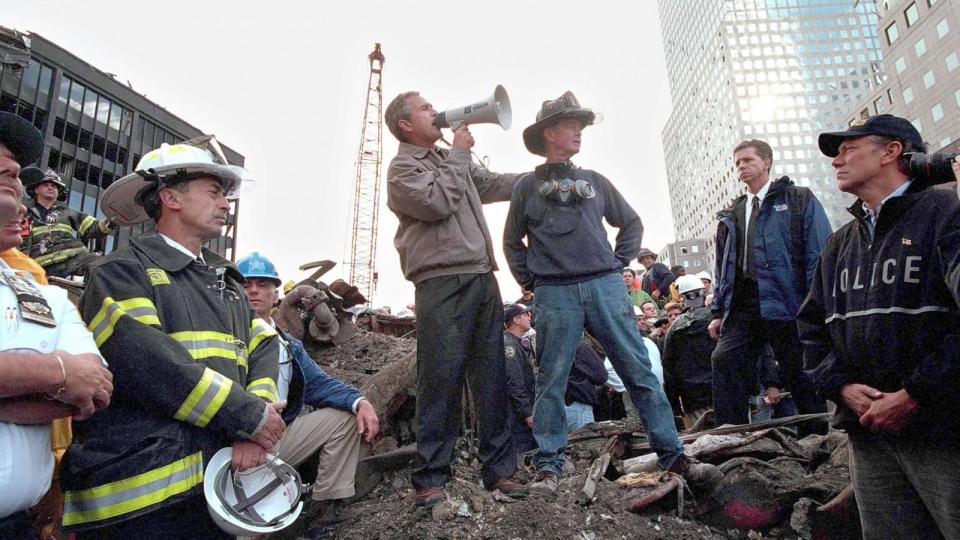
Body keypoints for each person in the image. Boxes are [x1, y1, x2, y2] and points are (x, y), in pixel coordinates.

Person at [60, 139, 285, 539]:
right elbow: (149, 363)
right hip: (141, 499)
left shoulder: (226, 282)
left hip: (215, 485)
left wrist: (257, 418)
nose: (225, 204)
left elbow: (265, 344)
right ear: (170, 198)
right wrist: (249, 418)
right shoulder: (120, 272)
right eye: (214, 192)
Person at [504, 91, 719, 497]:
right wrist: (532, 281)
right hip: (555, 293)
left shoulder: (595, 182)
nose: (578, 133)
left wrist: (615, 264)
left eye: (581, 127)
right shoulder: (526, 189)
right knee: (551, 379)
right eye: (571, 126)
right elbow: (512, 242)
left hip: (604, 285)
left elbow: (631, 223)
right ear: (549, 132)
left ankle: (674, 454)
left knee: (639, 372)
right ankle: (550, 464)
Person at [799, 115, 960, 539]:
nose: (837, 161)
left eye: (849, 148)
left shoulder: (946, 213)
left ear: (891, 152)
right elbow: (811, 331)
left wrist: (915, 394)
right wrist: (841, 388)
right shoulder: (839, 244)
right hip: (868, 436)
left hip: (941, 428)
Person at [384, 90, 526, 507]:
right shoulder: (402, 168)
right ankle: (431, 477)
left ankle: (500, 471)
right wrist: (460, 155)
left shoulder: (449, 159)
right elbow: (435, 203)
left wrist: (537, 178)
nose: (436, 111)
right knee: (440, 379)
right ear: (406, 124)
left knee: (492, 377)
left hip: (481, 276)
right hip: (441, 283)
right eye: (426, 108)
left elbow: (492, 184)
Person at [0, 112, 113, 540]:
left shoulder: (38, 289)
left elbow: (94, 388)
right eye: (5, 167)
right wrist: (59, 372)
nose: (17, 176)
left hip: (17, 524)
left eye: (19, 174)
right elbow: (74, 377)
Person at [237, 252, 380, 526]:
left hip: (274, 441)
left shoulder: (287, 344)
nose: (254, 290)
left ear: (276, 295)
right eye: (246, 284)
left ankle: (323, 511)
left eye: (263, 284)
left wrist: (361, 401)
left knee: (346, 419)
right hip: (232, 447)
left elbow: (319, 383)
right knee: (242, 527)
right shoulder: (222, 336)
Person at [709, 138, 832, 435]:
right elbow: (723, 268)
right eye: (737, 162)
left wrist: (815, 304)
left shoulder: (797, 199)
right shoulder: (733, 213)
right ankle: (731, 436)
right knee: (725, 360)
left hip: (790, 302)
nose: (741, 167)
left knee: (799, 371)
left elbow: (819, 253)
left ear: (766, 162)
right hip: (744, 304)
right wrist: (717, 311)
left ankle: (816, 439)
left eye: (747, 160)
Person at [21, 167, 113, 278]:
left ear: (58, 192)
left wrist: (114, 219)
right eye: (45, 185)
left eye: (54, 186)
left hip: (74, 258)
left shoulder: (68, 213)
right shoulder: (23, 214)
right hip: (39, 267)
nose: (50, 188)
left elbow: (95, 228)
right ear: (35, 190)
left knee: (106, 267)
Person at [661, 275, 715, 425]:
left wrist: (675, 406)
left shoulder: (674, 329)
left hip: (694, 398)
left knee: (706, 442)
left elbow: (669, 370)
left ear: (682, 296)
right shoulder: (717, 320)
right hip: (725, 390)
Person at [502, 303, 537, 453]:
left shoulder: (514, 343)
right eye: (525, 314)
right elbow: (514, 381)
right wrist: (527, 412)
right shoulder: (509, 345)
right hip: (516, 416)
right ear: (516, 319)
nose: (529, 317)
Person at [564, 337, 608, 432]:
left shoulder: (546, 345)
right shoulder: (576, 344)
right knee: (584, 444)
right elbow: (601, 376)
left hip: (553, 406)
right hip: (578, 405)